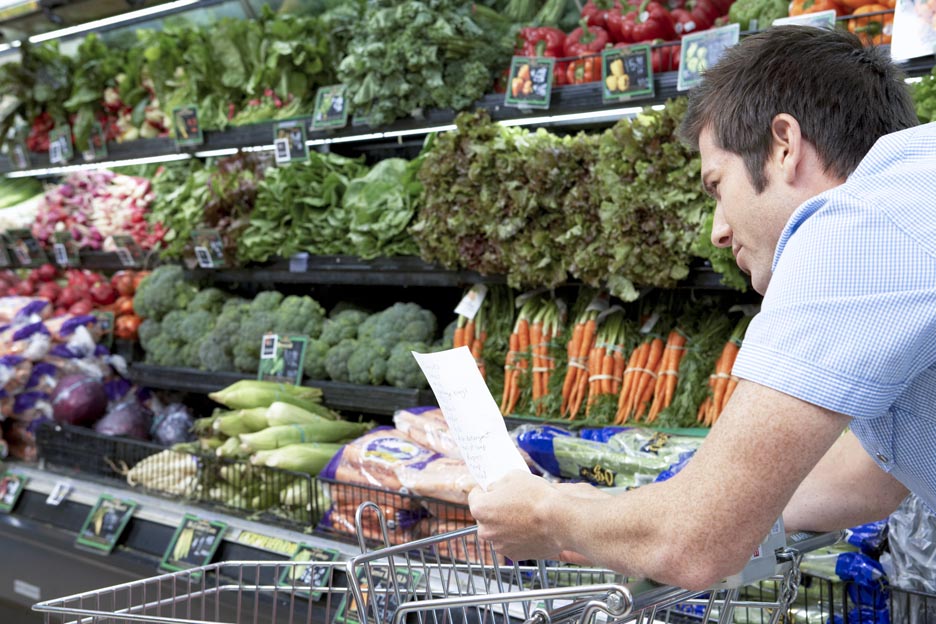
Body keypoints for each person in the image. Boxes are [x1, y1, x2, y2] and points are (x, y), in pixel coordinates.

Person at [468, 26, 934, 592]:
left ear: (784, 144)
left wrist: (547, 514)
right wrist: (649, 507)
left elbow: (694, 544)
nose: (718, 231)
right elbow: (870, 478)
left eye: (717, 186)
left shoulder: (860, 226)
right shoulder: (908, 198)